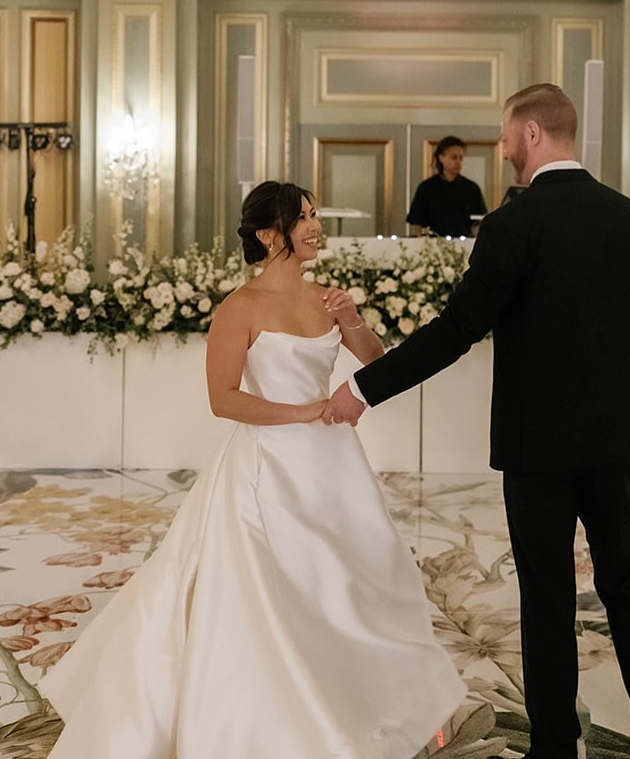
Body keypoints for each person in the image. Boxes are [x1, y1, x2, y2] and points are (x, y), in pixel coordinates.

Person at [326, 85, 630, 759]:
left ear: (530, 133)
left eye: (504, 135)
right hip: (615, 437)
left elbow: (458, 329)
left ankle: (554, 748)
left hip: (537, 446)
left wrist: (363, 387)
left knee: (548, 593)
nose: (500, 150)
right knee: (625, 584)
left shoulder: (512, 225)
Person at [39, 180, 465, 759]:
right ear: (269, 234)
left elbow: (376, 363)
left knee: (345, 580)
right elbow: (223, 399)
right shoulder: (239, 308)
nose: (315, 227)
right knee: (268, 587)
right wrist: (303, 411)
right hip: (266, 467)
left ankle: (350, 696)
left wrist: (355, 320)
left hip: (333, 464)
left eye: (315, 215)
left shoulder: (325, 299)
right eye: (302, 219)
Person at [406, 134, 487, 237]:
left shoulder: (471, 189)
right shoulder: (427, 188)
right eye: (454, 158)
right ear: (441, 158)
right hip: (432, 246)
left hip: (464, 245)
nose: (458, 162)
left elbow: (480, 220)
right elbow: (416, 223)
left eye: (461, 158)